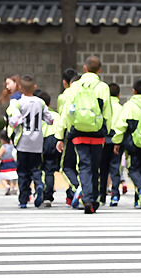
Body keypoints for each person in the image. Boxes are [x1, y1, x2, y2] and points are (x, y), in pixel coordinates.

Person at [56, 55, 113, 214]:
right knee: (96, 167)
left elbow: (66, 112)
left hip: (78, 133)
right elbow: (107, 112)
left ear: (84, 68)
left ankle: (87, 198)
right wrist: (106, 130)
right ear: (99, 70)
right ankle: (94, 199)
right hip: (97, 133)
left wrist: (63, 135)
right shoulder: (103, 87)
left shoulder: (74, 86)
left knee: (84, 166)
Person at [7, 75, 54, 209]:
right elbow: (50, 119)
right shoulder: (40, 102)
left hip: (23, 141)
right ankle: (39, 184)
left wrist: (12, 122)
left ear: (20, 88)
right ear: (34, 87)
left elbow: (15, 121)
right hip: (37, 142)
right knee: (35, 168)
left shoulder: (17, 102)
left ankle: (23, 199)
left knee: (22, 171)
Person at [112, 79, 141, 208]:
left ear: (134, 91)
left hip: (133, 143)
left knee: (133, 169)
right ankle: (138, 199)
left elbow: (121, 126)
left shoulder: (129, 106)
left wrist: (117, 141)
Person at [57, 70, 81, 207]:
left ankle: (77, 188)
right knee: (83, 165)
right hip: (93, 133)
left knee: (66, 166)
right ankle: (78, 194)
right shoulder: (90, 94)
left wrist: (60, 137)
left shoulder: (65, 96)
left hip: (72, 133)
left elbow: (63, 117)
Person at [98, 82, 124, 206]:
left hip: (104, 140)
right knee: (115, 169)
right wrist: (118, 141)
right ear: (119, 95)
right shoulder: (121, 108)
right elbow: (121, 126)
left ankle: (101, 196)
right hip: (116, 141)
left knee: (102, 169)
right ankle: (115, 195)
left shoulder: (104, 107)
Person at [35, 90, 61, 206]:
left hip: (38, 142)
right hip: (52, 141)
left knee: (37, 169)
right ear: (49, 104)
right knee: (50, 171)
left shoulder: (35, 116)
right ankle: (48, 196)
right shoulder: (56, 115)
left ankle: (39, 187)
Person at [0, 130, 18, 195]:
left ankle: (7, 186)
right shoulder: (12, 146)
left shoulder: (3, 147)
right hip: (12, 163)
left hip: (5, 164)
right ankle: (14, 187)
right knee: (12, 176)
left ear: (2, 139)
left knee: (3, 178)